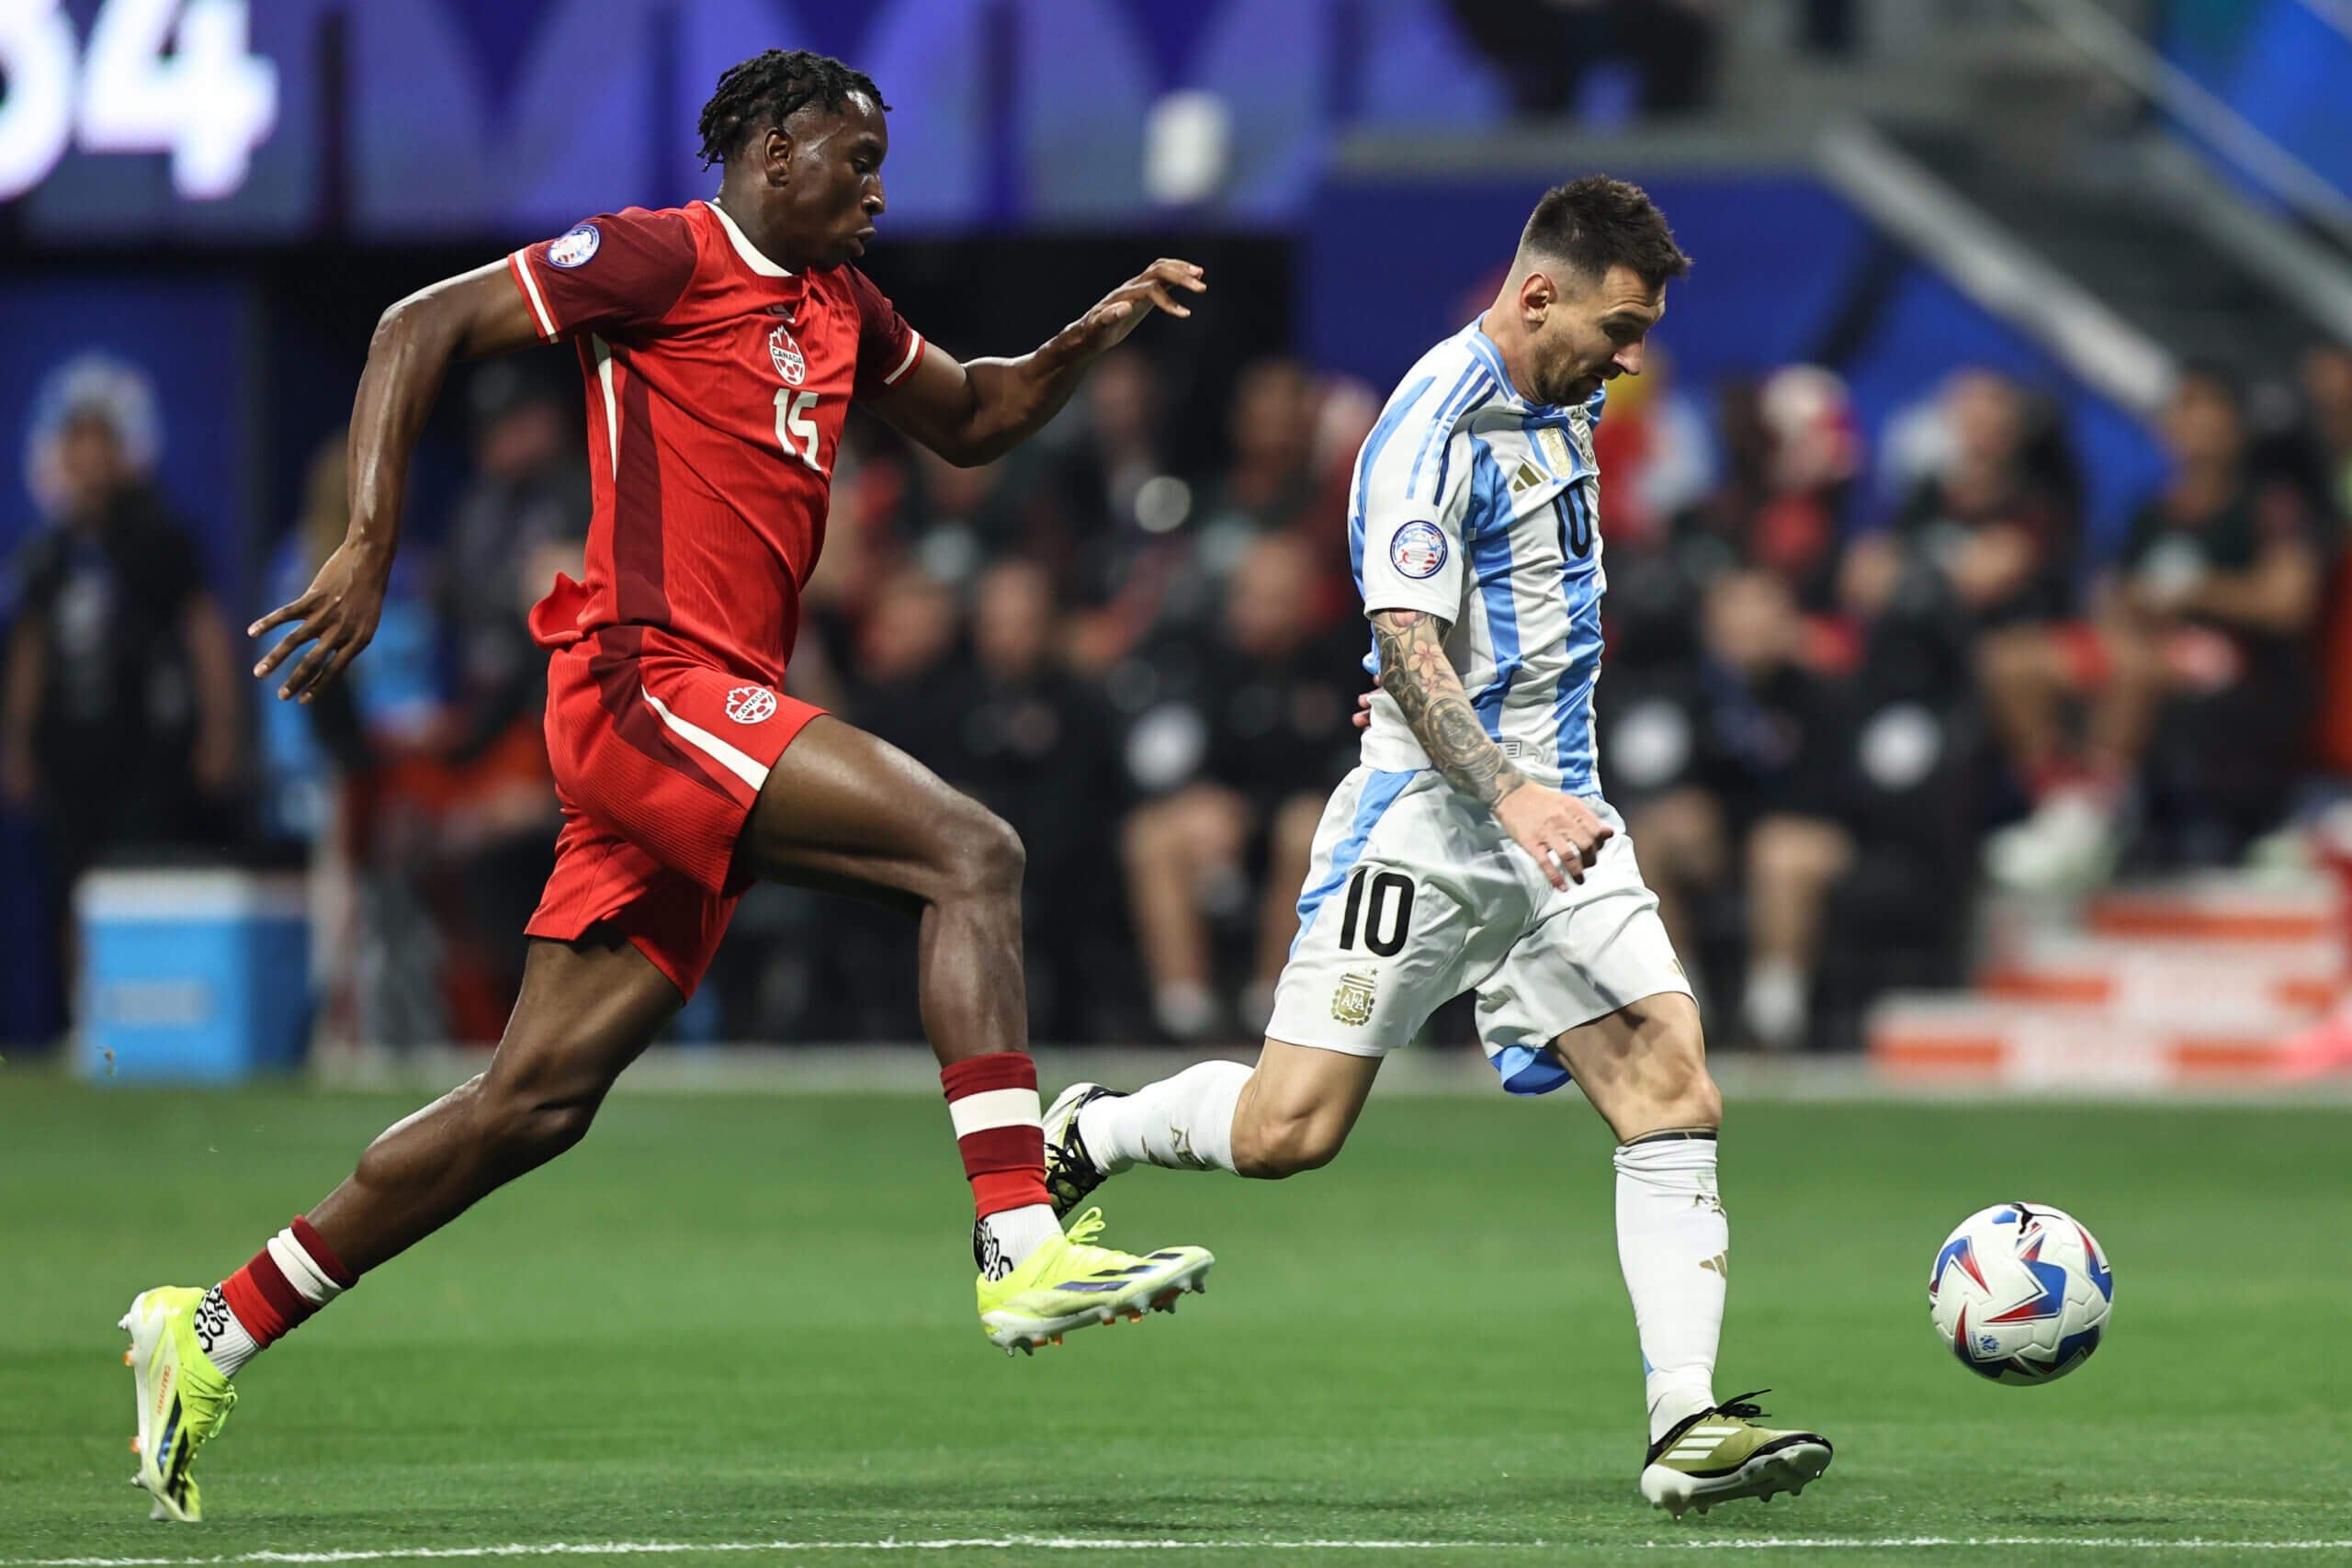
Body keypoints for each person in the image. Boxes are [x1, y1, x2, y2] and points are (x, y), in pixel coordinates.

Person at [115, 51, 1212, 1524]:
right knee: (971, 851)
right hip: (645, 684)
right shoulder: (659, 256)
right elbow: (415, 321)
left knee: (532, 1102)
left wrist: (1085, 339)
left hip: (704, 718)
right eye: (854, 153)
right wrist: (373, 534)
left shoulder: (841, 305)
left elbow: (971, 416)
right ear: (768, 155)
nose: (879, 182)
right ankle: (1019, 1235)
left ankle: (214, 1322)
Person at [1041, 177, 1832, 1517]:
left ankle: (1685, 1421)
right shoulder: (1430, 425)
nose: (1631, 353)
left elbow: (1454, 625)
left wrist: (1521, 772)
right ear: (1537, 296)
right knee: (1291, 1130)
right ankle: (1095, 1129)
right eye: (1619, 323)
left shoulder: (1566, 392)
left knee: (1672, 1088)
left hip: (1565, 820)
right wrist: (1491, 775)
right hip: (1442, 825)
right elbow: (1408, 638)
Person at [2, 374, 243, 1020]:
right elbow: (29, 649)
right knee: (69, 888)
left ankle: (146, 1018)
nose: (88, 463)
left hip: (146, 748)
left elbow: (204, 631)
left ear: (121, 454)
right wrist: (16, 744)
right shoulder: (45, 550)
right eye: (75, 448)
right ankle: (87, 1023)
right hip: (69, 750)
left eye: (99, 446)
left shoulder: (159, 536)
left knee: (142, 881)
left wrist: (221, 728)